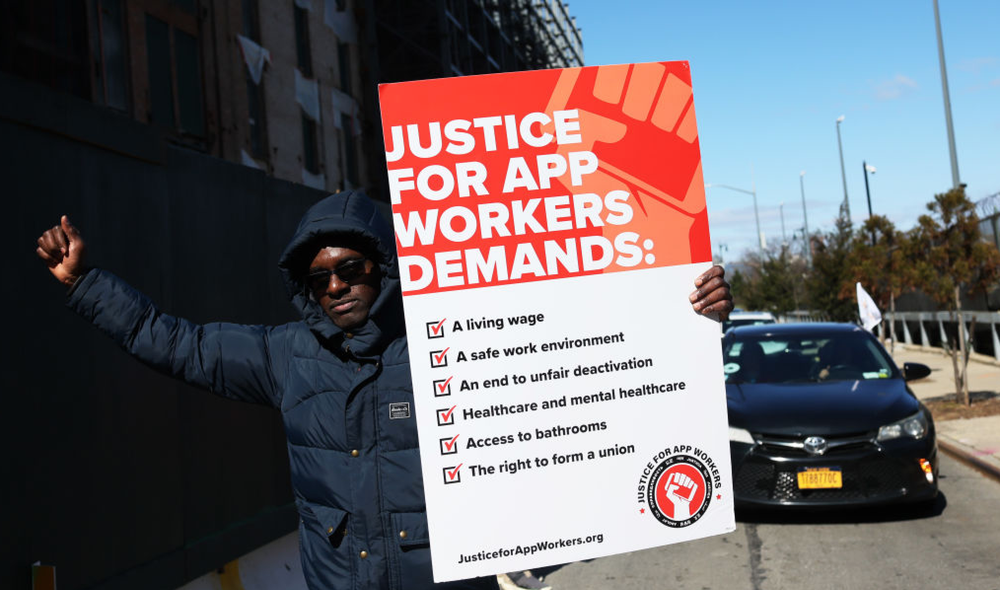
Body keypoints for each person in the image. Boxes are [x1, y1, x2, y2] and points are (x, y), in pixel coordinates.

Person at [36, 191, 734, 590]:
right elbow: (177, 341)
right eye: (318, 277)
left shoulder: (454, 342)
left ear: (384, 267)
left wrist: (686, 317)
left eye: (351, 266)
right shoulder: (286, 356)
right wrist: (86, 283)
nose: (336, 285)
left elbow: (585, 383)